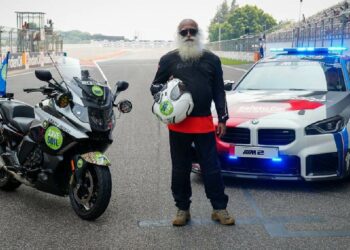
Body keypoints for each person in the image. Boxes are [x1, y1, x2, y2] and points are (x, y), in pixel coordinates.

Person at [150, 19, 235, 226]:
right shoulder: (168, 59)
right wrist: (168, 97)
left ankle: (219, 208)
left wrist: (222, 118)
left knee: (211, 167)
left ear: (198, 34)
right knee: (180, 168)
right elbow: (155, 87)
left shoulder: (212, 60)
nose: (188, 34)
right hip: (179, 126)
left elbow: (218, 91)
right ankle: (182, 209)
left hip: (204, 123)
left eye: (192, 31)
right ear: (178, 35)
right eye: (184, 32)